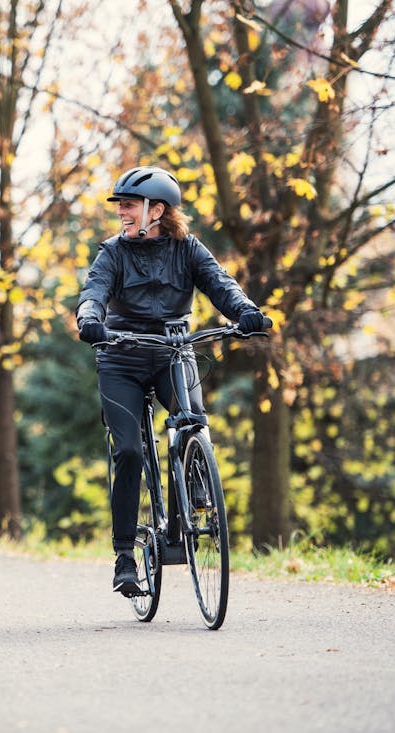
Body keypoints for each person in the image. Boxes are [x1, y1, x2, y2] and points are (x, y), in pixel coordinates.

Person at [75, 166, 268, 595]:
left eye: (128, 205)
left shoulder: (188, 250)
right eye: (121, 205)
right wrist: (90, 318)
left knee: (192, 419)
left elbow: (221, 285)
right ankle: (125, 555)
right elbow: (94, 292)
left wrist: (245, 312)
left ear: (156, 210)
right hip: (121, 358)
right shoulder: (112, 252)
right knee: (127, 451)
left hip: (172, 353)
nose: (122, 212)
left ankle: (196, 492)